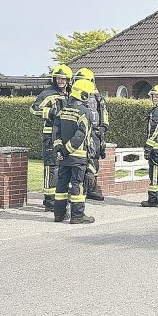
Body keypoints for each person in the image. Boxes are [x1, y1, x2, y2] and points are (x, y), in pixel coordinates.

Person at [52, 78, 95, 224]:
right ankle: (77, 216)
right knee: (78, 184)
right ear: (83, 95)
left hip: (63, 158)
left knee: (61, 184)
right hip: (78, 156)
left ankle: (59, 214)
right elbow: (81, 135)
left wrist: (59, 149)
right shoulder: (84, 112)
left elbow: (55, 130)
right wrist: (66, 150)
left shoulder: (63, 110)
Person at [29, 64, 71, 212]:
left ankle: (62, 197)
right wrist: (51, 113)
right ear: (55, 79)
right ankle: (49, 200)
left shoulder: (71, 94)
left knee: (66, 167)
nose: (61, 81)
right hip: (50, 136)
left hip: (66, 136)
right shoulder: (47, 93)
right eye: (58, 78)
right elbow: (34, 109)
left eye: (63, 78)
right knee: (51, 167)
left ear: (68, 80)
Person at [72, 68, 109, 202]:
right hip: (80, 133)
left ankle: (92, 189)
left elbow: (104, 112)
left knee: (94, 162)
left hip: (95, 134)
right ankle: (79, 190)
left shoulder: (98, 97)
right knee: (79, 162)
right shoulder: (75, 96)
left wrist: (103, 127)